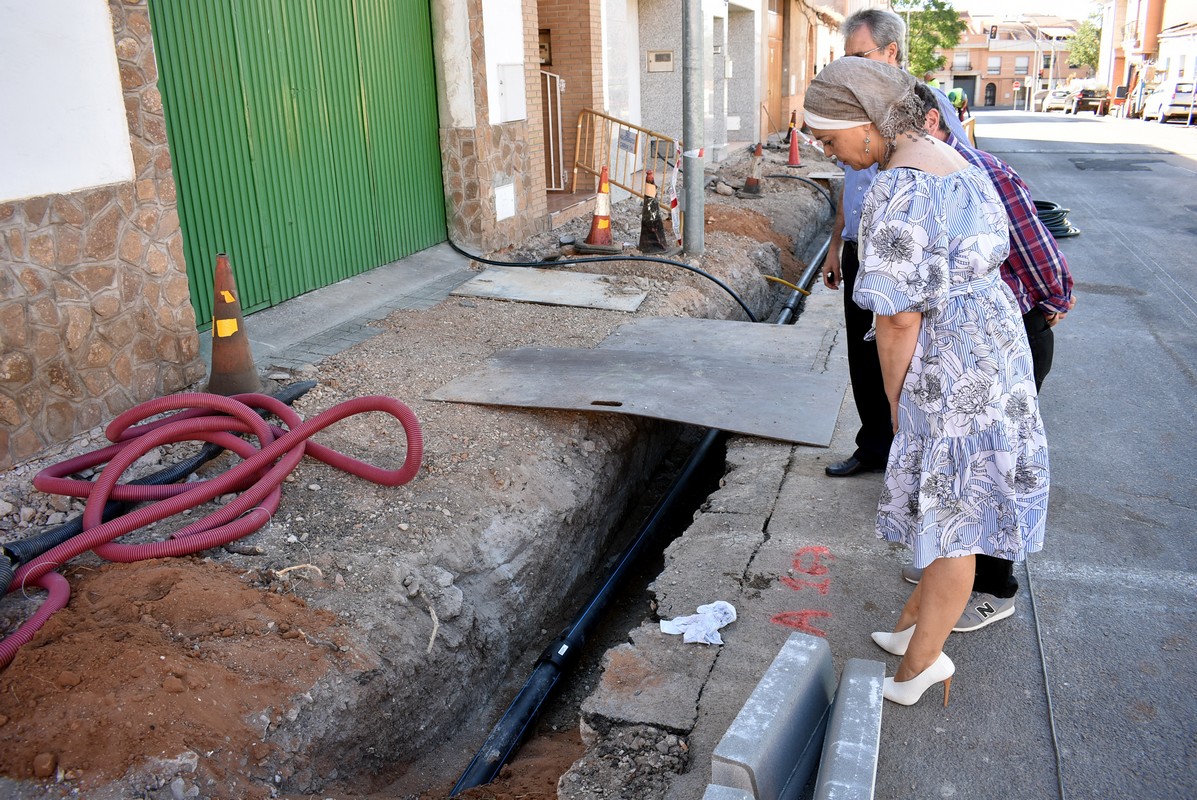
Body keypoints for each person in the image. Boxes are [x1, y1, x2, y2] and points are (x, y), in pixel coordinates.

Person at [803, 57, 1050, 706]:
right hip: (992, 345)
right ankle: (912, 625)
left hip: (952, 366)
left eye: (831, 140)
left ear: (866, 124)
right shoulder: (947, 155)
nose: (832, 155)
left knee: (952, 521)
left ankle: (921, 667)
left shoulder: (897, 190)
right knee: (947, 503)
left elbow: (896, 319)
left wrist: (894, 400)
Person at [902, 82, 1075, 631]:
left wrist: (1054, 301)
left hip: (1013, 328)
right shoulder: (919, 176)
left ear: (931, 122)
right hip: (971, 339)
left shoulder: (980, 172)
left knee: (997, 466)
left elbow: (1037, 248)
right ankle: (953, 567)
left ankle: (993, 588)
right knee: (961, 468)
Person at [821, 8, 970, 478]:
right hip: (861, 249)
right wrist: (835, 244)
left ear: (891, 51)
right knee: (863, 356)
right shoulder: (852, 108)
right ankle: (875, 447)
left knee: (906, 351)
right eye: (844, 58)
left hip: (912, 261)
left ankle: (909, 445)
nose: (850, 67)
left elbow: (965, 167)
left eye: (859, 55)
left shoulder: (924, 103)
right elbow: (852, 185)